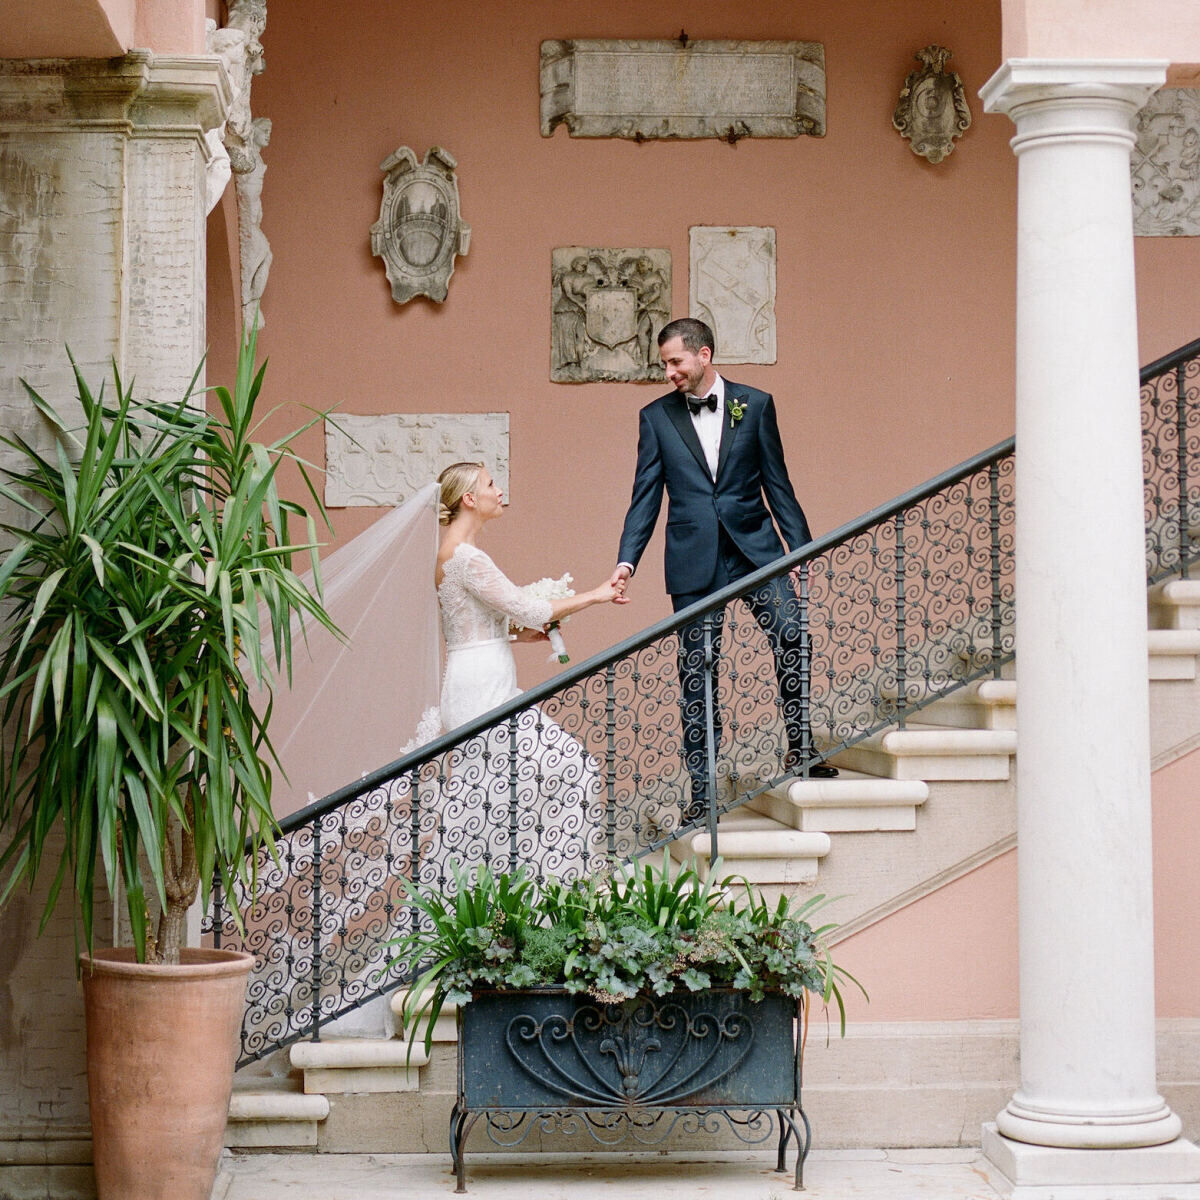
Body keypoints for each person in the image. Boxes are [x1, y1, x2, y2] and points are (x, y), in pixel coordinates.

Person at [610, 317, 837, 823]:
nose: (668, 372)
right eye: (664, 363)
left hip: (755, 548)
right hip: (693, 558)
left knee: (792, 635)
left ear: (704, 355)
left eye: (675, 362)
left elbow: (779, 483)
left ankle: (800, 746)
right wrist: (627, 561)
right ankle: (702, 792)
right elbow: (644, 498)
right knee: (697, 672)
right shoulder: (655, 418)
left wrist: (799, 552)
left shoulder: (754, 404)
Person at [430, 462, 625, 877]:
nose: (498, 491)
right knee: (572, 769)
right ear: (469, 499)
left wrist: (518, 636)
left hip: (473, 679)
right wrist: (597, 595)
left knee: (486, 804)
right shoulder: (467, 558)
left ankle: (508, 899)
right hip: (483, 689)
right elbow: (529, 608)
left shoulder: (449, 554)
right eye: (490, 484)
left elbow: (469, 630)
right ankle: (546, 889)